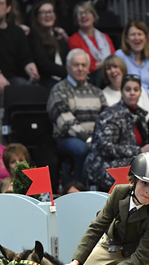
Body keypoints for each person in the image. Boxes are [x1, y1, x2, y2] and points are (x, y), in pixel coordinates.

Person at [86, 75, 149, 191]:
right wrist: (140, 151)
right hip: (105, 166)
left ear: (140, 92)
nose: (132, 93)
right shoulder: (110, 115)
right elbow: (105, 147)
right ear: (121, 92)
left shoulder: (140, 114)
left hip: (129, 162)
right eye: (128, 89)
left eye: (136, 90)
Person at [48, 49, 105, 183]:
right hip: (68, 138)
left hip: (94, 138)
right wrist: (87, 139)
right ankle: (80, 189)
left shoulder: (97, 92)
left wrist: (101, 138)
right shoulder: (59, 89)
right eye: (76, 65)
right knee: (82, 149)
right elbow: (64, 120)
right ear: (68, 67)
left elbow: (105, 119)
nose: (80, 68)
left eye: (83, 65)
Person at [0, 0, 40, 98]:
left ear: (8, 8)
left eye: (0, 3)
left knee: (30, 87)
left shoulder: (17, 31)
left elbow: (26, 57)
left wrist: (32, 72)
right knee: (2, 87)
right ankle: (3, 113)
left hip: (12, 76)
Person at [68, 2, 114, 75]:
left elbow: (113, 60)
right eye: (80, 14)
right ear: (77, 20)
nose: (83, 16)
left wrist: (100, 64)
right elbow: (85, 66)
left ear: (94, 17)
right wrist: (105, 63)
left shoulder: (105, 37)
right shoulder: (74, 39)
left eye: (86, 12)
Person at [28, 2, 68, 84]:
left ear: (55, 16)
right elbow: (44, 64)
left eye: (50, 11)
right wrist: (68, 72)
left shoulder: (58, 35)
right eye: (43, 12)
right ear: (37, 17)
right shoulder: (34, 35)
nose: (47, 15)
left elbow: (67, 58)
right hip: (46, 80)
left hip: (64, 78)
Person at [118, 20, 149, 100]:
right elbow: (119, 88)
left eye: (140, 34)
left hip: (148, 103)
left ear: (146, 38)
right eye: (133, 35)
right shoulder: (120, 56)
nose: (137, 38)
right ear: (126, 39)